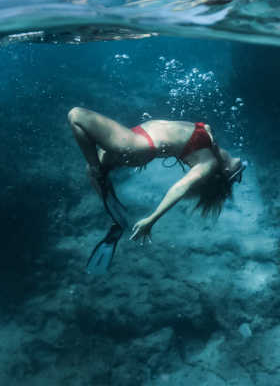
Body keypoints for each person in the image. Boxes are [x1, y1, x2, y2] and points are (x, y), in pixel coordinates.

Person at [68, 107, 246, 271]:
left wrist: (151, 219)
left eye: (236, 177)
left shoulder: (209, 164)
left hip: (138, 144)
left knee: (76, 116)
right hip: (138, 140)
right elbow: (192, 134)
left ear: (226, 172)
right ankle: (116, 218)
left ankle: (98, 173)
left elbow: (179, 188)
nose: (240, 172)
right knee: (91, 171)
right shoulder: (211, 140)